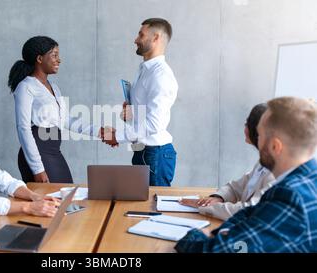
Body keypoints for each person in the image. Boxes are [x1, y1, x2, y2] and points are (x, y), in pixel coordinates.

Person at [175, 97, 317, 253]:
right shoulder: (306, 180)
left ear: (275, 146)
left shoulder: (290, 197)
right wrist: (223, 233)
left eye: (260, 135)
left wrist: (195, 235)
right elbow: (249, 215)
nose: (257, 140)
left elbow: (219, 251)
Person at [9, 36, 101, 183]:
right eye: (54, 55)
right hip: (37, 154)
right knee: (52, 202)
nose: (59, 60)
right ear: (39, 58)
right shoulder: (26, 87)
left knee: (66, 197)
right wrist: (37, 168)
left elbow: (64, 120)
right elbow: (23, 128)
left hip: (53, 151)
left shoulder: (54, 88)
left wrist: (100, 131)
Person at [102, 18, 179, 186]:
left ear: (156, 37)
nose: (135, 40)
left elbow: (153, 124)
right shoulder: (145, 70)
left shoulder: (160, 76)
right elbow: (144, 116)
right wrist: (130, 113)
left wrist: (118, 136)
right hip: (143, 151)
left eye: (141, 35)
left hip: (155, 154)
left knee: (152, 209)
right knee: (142, 209)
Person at [179, 103, 276, 220]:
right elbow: (235, 187)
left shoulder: (276, 172)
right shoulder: (262, 162)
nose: (244, 128)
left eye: (247, 123)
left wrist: (205, 207)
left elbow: (249, 210)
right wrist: (218, 197)